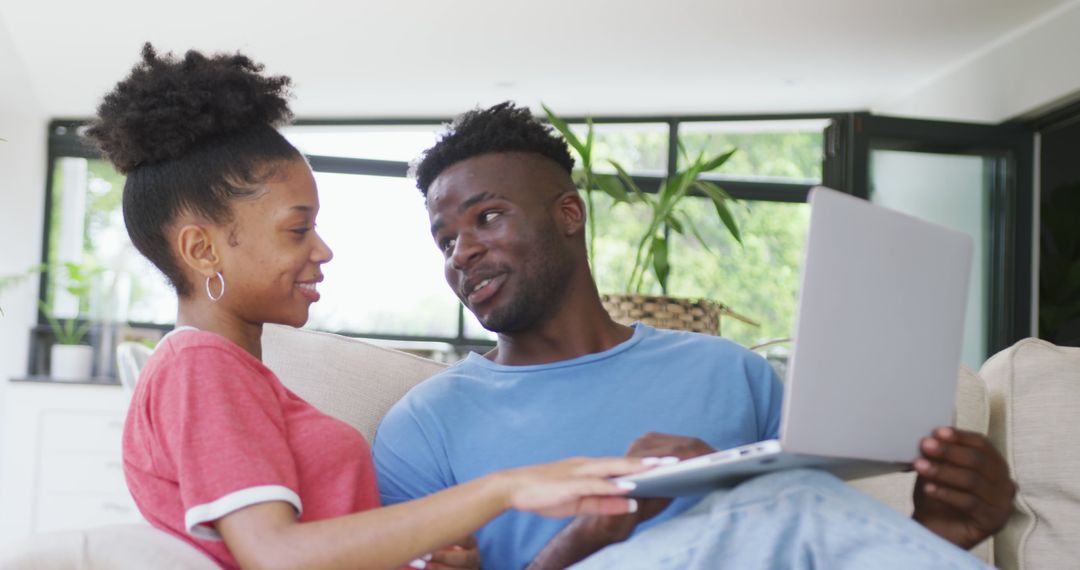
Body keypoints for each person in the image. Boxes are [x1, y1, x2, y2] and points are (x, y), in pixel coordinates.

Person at [372, 102, 1018, 569]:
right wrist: (593, 533)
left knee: (792, 495)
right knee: (788, 492)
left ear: (570, 212)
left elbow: (813, 541)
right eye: (446, 240)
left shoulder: (730, 372)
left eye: (487, 217)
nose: (462, 254)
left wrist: (939, 531)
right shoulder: (424, 425)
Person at [89, 47, 660, 570]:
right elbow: (278, 556)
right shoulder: (201, 369)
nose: (322, 250)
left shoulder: (237, 376)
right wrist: (502, 490)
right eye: (297, 229)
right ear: (201, 249)